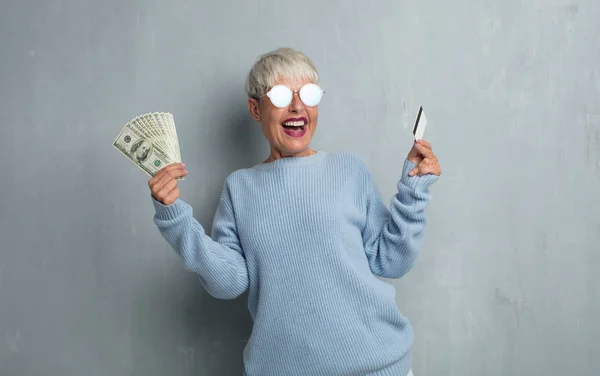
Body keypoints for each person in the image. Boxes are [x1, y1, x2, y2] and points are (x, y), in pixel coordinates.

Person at [148, 47, 441, 376]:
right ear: (255, 109)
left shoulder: (349, 170)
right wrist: (175, 219)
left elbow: (392, 260)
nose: (298, 106)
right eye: (282, 94)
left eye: (309, 94)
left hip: (377, 367)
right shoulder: (240, 188)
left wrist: (414, 190)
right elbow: (228, 282)